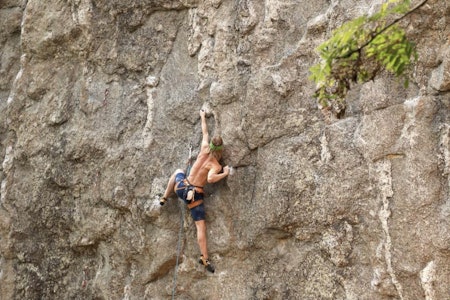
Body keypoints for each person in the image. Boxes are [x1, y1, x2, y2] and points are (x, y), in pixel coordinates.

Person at [160, 109, 230, 273]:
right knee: (200, 226)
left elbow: (204, 131)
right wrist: (225, 173)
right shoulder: (215, 165)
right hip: (194, 196)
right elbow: (211, 179)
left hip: (182, 187)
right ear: (221, 150)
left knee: (177, 172)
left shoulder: (204, 146)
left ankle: (164, 197)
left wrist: (202, 116)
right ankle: (204, 258)